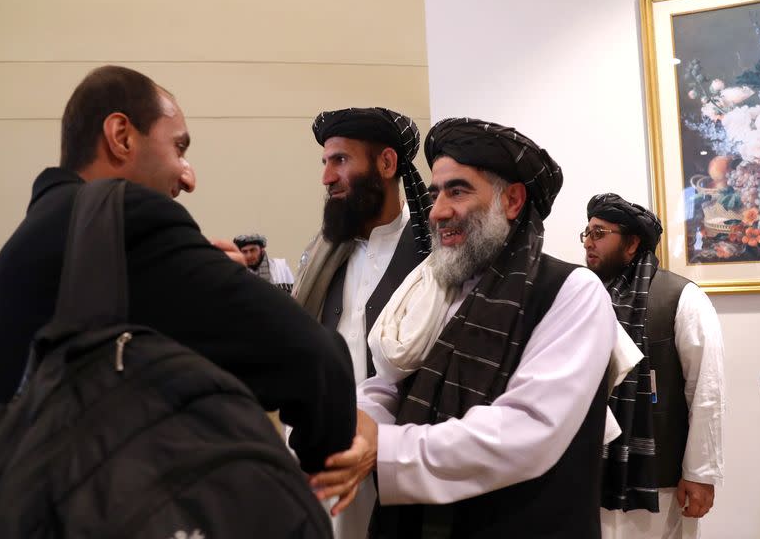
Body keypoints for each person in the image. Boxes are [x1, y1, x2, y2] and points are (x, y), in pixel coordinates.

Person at [0, 65, 355, 473]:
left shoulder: (22, 250)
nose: (188, 178)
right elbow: (316, 358)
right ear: (121, 136)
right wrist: (325, 472)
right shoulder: (129, 222)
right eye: (179, 148)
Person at [311, 118, 618, 538]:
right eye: (436, 193)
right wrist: (363, 420)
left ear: (512, 201)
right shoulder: (434, 286)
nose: (437, 211)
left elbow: (526, 431)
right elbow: (391, 383)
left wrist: (385, 448)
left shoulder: (571, 293)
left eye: (457, 191)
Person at [291, 107, 432, 538]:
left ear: (387, 164)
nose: (327, 177)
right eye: (325, 162)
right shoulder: (325, 253)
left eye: (341, 160)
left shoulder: (431, 252)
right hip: (325, 456)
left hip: (401, 458)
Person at [582, 193, 725, 539]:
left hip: (659, 482)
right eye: (586, 233)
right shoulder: (583, 297)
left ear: (632, 244)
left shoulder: (682, 298)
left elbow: (707, 391)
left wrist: (700, 474)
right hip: (590, 479)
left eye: (599, 233)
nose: (588, 242)